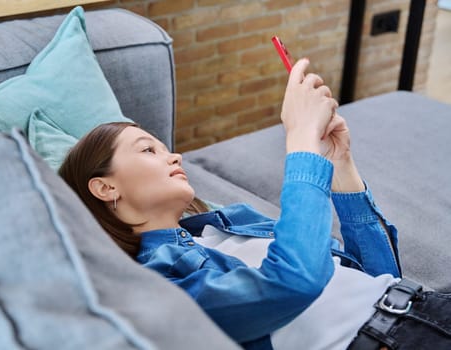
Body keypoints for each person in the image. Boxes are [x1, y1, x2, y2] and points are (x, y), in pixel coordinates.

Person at [59, 58, 451, 349]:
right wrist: (300, 144)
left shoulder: (229, 222)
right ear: (104, 188)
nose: (175, 157)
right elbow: (294, 282)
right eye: (148, 149)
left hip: (426, 306)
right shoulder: (156, 284)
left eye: (167, 148)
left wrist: (339, 166)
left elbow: (381, 278)